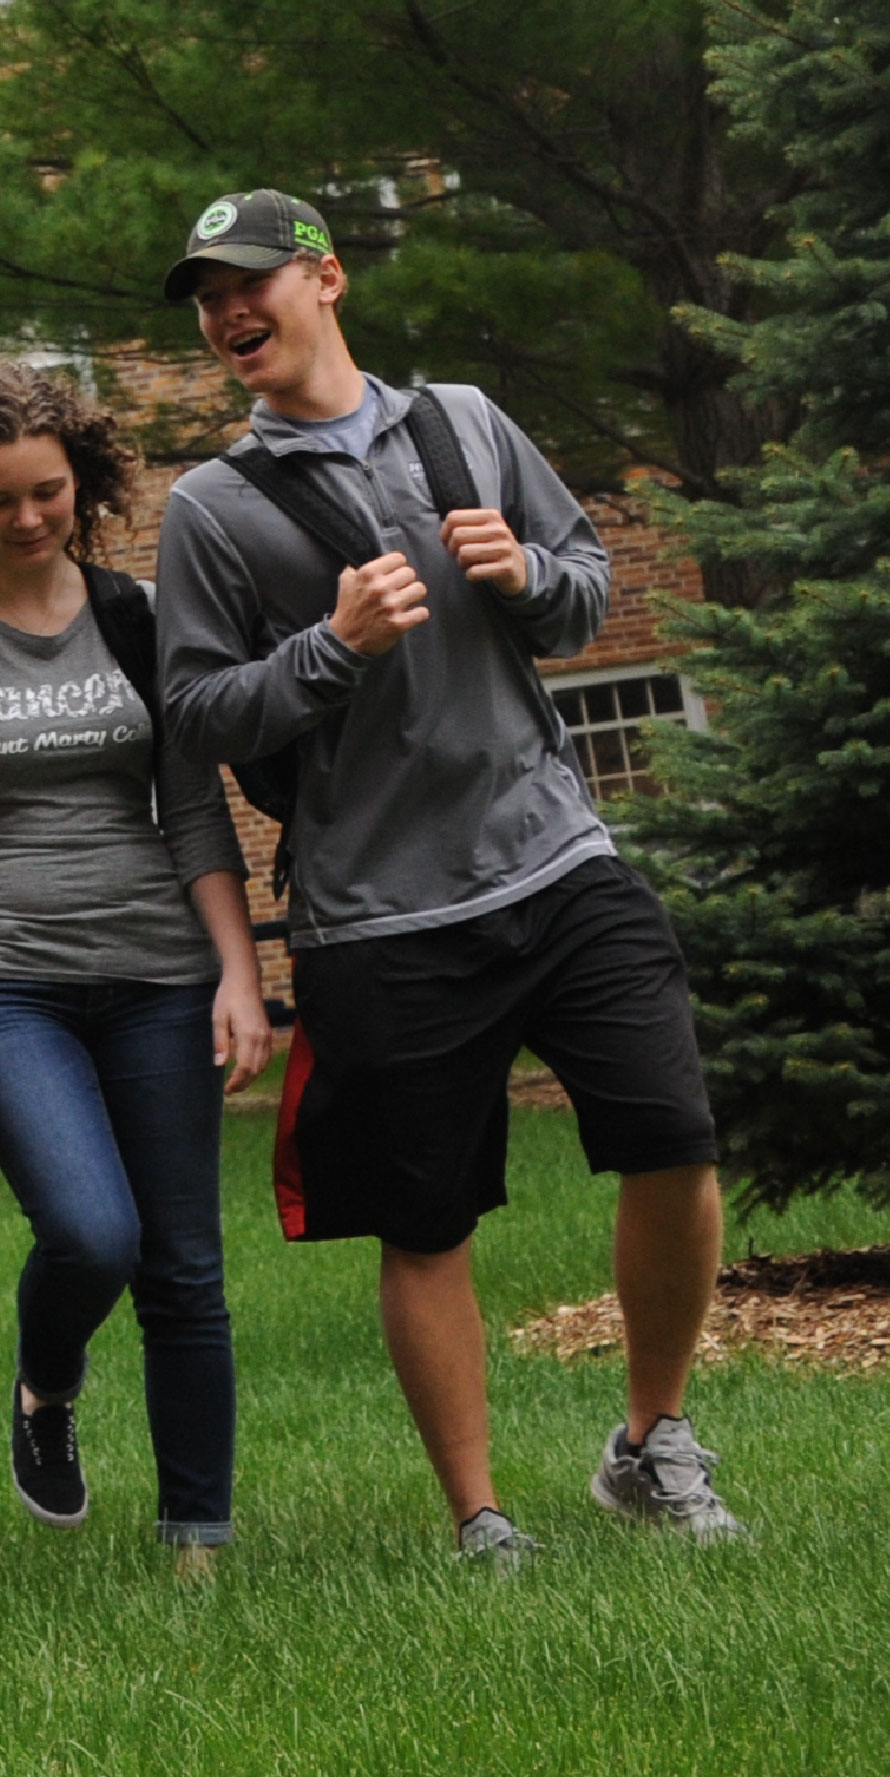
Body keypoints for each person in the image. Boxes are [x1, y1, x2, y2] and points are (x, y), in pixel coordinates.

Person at [152, 188, 741, 1567]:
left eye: (252, 282)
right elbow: (198, 713)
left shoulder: (464, 422)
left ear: (327, 280)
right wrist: (331, 647)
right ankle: (481, 1520)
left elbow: (588, 579)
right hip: (380, 912)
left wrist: (531, 574)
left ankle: (654, 1442)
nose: (230, 312)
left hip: (556, 852)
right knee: (425, 1221)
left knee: (675, 1134)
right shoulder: (214, 508)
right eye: (207, 297)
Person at [0, 365, 267, 1567]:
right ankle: (44, 1386)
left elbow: (193, 816)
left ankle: (198, 1540)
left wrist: (235, 973)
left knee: (183, 1266)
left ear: (80, 483)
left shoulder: (136, 620)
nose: (27, 519)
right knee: (91, 1234)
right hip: (2, 978)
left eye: (46, 493)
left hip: (156, 972)